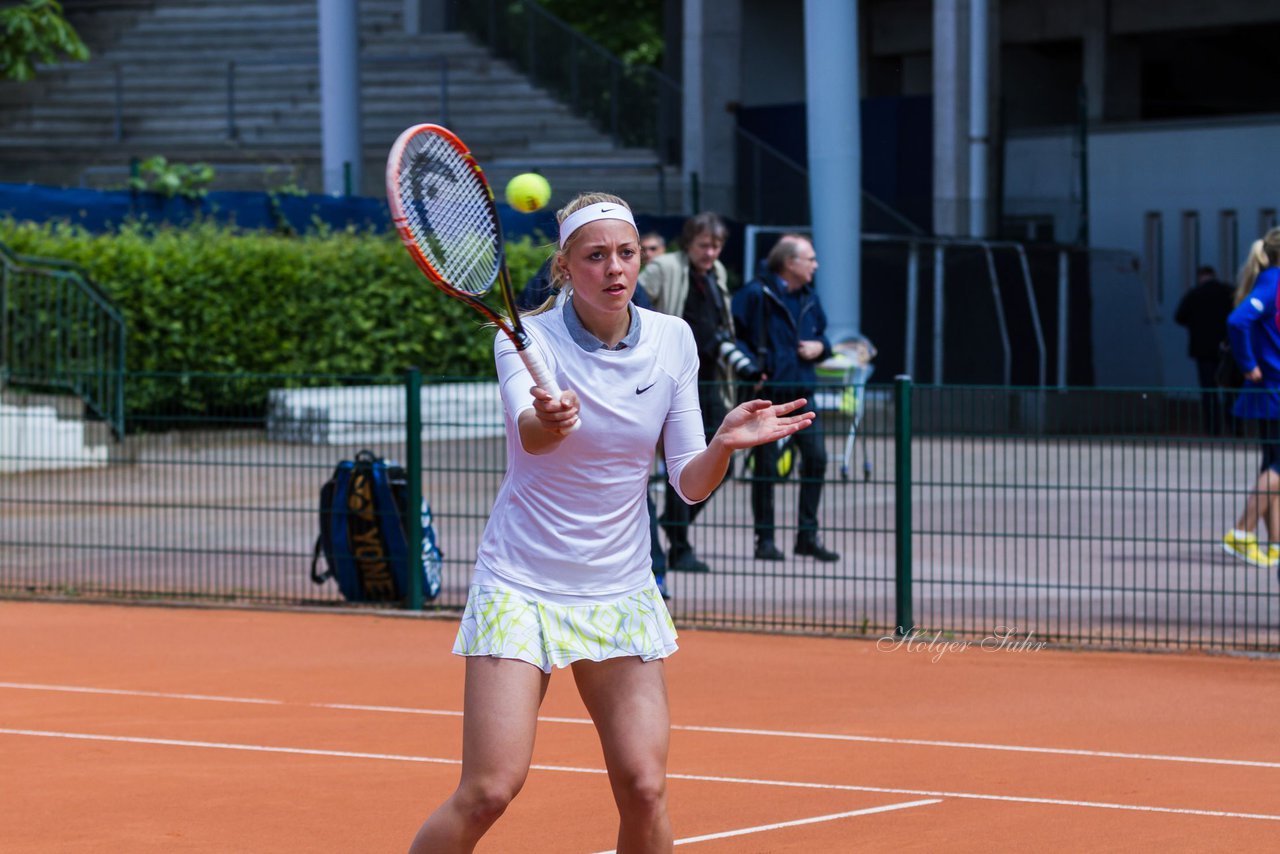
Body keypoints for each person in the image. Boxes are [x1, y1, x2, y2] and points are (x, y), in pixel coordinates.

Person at [406, 192, 814, 853]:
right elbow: (530, 435)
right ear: (566, 267)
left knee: (645, 788)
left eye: (625, 253)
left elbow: (687, 484)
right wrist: (550, 418)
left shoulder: (673, 339)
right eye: (595, 256)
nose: (615, 269)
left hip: (619, 589)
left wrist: (723, 446)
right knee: (489, 789)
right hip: (521, 585)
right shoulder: (523, 338)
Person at [637, 212, 746, 573]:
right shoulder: (664, 266)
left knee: (720, 457)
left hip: (712, 376)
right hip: (673, 376)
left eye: (717, 246)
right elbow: (636, 308)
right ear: (689, 243)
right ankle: (679, 544)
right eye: (704, 245)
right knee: (680, 460)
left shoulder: (716, 275)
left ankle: (676, 523)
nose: (711, 253)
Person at [731, 233, 839, 562]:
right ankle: (765, 540)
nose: (816, 266)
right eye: (811, 259)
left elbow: (822, 335)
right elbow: (736, 335)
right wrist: (752, 368)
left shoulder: (809, 296)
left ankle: (807, 535)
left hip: (803, 392)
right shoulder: (755, 293)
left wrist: (821, 348)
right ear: (790, 262)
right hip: (768, 395)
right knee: (765, 468)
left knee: (817, 459)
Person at [1221, 228, 1280, 570]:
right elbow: (1238, 320)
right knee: (1278, 465)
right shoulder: (1273, 281)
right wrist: (1249, 365)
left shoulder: (1271, 281)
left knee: (1272, 465)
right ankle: (1242, 532)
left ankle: (1275, 544)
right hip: (1273, 386)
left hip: (1271, 387)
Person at [1174, 264, 1235, 434]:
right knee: (1230, 389)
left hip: (1203, 349)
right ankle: (1234, 426)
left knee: (1209, 390)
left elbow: (1179, 317)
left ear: (1201, 277)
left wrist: (1196, 325)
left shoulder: (1195, 294)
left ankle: (1213, 428)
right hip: (1226, 348)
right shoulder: (1227, 292)